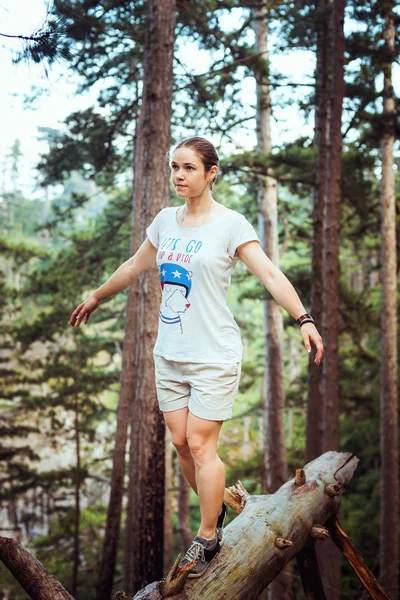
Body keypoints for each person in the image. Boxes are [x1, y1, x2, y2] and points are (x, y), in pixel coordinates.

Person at [69, 136, 324, 578]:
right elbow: (134, 265)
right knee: (182, 443)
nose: (179, 176)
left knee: (203, 444)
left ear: (211, 173)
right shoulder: (166, 220)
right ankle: (215, 512)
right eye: (175, 167)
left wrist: (303, 317)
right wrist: (96, 296)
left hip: (213, 355)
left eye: (189, 168)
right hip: (169, 355)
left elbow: (268, 273)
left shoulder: (230, 224)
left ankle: (207, 537)